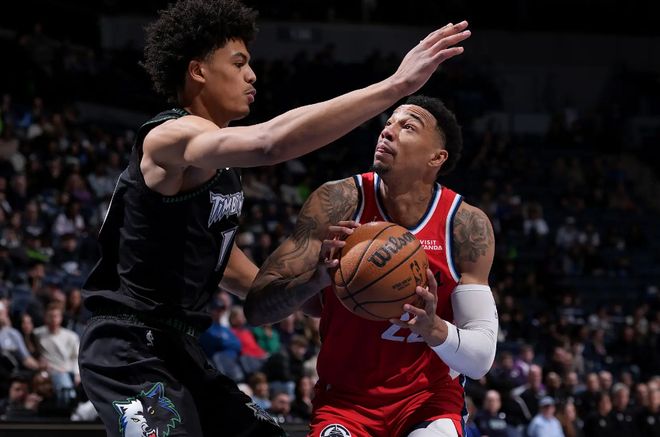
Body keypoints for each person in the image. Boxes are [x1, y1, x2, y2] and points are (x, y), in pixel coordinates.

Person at [77, 0, 472, 436]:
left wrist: (322, 286)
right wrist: (396, 86)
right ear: (198, 71)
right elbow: (270, 143)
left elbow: (230, 267)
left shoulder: (218, 169)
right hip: (128, 347)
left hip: (179, 346)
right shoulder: (168, 137)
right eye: (239, 63)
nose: (252, 75)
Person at [246, 94, 498, 436]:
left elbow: (481, 360)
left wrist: (433, 328)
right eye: (389, 122)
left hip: (428, 401)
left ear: (436, 157)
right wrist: (316, 280)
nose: (388, 131)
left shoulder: (464, 225)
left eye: (408, 127)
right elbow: (257, 309)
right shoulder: (337, 201)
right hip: (345, 402)